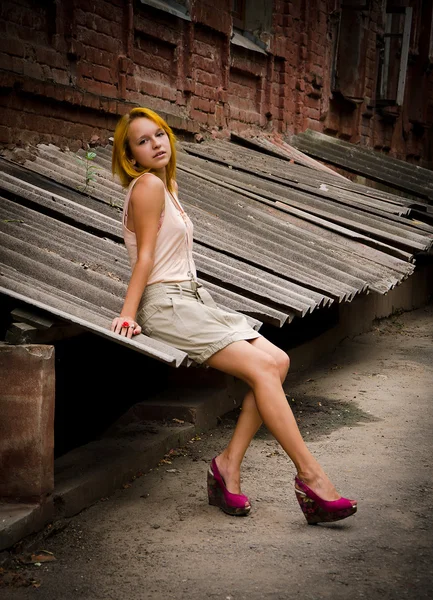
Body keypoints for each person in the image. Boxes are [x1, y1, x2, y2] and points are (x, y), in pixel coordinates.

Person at [110, 107, 357, 524]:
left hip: (191, 298)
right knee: (264, 371)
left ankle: (227, 465)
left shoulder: (167, 186)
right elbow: (146, 258)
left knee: (278, 362)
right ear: (130, 155)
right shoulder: (148, 185)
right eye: (143, 140)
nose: (156, 144)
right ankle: (311, 477)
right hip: (166, 304)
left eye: (160, 134)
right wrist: (129, 314)